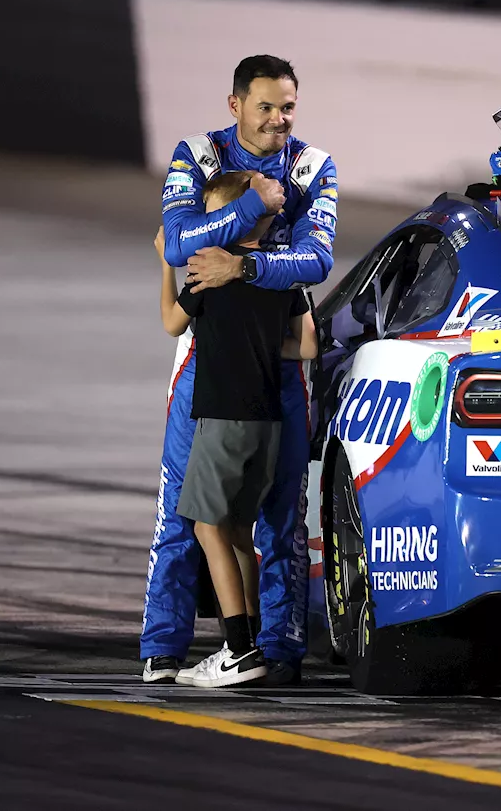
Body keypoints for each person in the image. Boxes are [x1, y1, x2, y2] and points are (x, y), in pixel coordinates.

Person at [141, 54, 336, 685]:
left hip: (277, 373)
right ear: (235, 106)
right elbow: (176, 245)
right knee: (182, 510)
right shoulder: (196, 154)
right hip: (204, 365)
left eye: (288, 108)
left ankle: (276, 650)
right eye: (266, 107)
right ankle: (163, 645)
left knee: (281, 515)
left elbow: (316, 260)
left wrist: (239, 266)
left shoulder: (313, 166)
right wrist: (252, 206)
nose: (279, 119)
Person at [157, 170, 318, 687]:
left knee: (206, 528)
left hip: (222, 419)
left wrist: (166, 261)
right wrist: (264, 351)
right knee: (240, 533)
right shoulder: (279, 277)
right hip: (269, 420)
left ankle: (238, 649)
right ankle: (255, 638)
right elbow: (310, 346)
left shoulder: (205, 276)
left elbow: (170, 323)